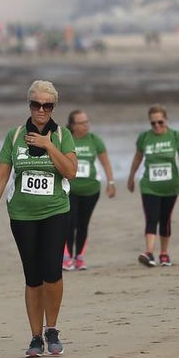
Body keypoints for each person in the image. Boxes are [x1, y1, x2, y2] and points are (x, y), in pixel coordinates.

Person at [0, 80, 77, 358]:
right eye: (36, 104)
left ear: (53, 107)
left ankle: (52, 329)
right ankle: (35, 337)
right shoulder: (14, 136)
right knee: (33, 276)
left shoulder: (62, 136)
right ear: (30, 105)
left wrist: (49, 146)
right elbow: (1, 176)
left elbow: (70, 171)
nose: (41, 110)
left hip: (55, 210)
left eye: (47, 105)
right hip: (22, 214)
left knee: (52, 272)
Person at [127, 104, 179, 268]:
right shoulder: (145, 137)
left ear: (166, 120)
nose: (157, 126)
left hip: (171, 186)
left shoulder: (175, 136)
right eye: (153, 123)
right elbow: (137, 158)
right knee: (151, 218)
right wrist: (131, 177)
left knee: (165, 220)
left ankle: (164, 253)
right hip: (149, 186)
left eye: (160, 122)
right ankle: (149, 253)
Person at [63, 109, 116, 270]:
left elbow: (105, 162)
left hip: (91, 190)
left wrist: (111, 182)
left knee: (83, 224)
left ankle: (79, 257)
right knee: (69, 223)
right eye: (82, 123)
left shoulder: (94, 140)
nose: (86, 125)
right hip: (69, 190)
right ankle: (66, 257)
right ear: (72, 125)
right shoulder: (66, 139)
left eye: (87, 122)